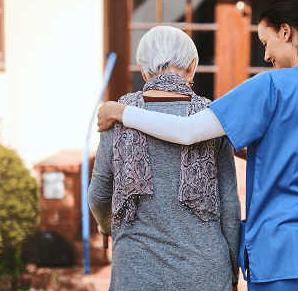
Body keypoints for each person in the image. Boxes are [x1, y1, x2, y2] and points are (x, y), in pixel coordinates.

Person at [97, 0, 298, 291]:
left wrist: (122, 112)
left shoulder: (272, 85)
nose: (265, 55)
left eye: (265, 42)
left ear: (286, 33)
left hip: (286, 255)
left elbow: (188, 130)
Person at [88, 26, 241, 291]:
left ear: (143, 70)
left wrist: (106, 225)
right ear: (192, 67)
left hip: (136, 275)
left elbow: (99, 195)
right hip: (204, 275)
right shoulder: (211, 119)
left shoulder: (116, 118)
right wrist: (232, 269)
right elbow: (229, 207)